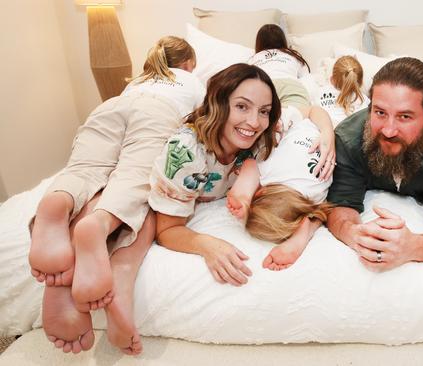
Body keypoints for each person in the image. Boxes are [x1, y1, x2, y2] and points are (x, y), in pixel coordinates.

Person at [28, 36, 205, 354]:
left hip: (107, 110)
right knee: (134, 179)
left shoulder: (136, 82)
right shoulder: (192, 80)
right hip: (158, 115)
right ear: (189, 64)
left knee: (85, 168)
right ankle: (98, 223)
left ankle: (60, 200)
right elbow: (206, 120)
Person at [326, 57, 423, 273]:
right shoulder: (348, 139)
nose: (388, 130)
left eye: (405, 116)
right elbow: (341, 204)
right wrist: (354, 233)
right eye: (380, 112)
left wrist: (413, 247)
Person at [150, 63, 283, 287]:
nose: (253, 122)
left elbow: (308, 110)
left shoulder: (265, 133)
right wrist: (207, 245)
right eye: (242, 106)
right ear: (218, 103)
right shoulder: (187, 153)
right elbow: (166, 230)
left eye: (264, 111)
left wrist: (326, 134)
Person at [226, 103, 336, 271]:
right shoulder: (272, 174)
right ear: (261, 191)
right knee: (255, 165)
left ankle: (307, 229)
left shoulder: (315, 195)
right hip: (308, 124)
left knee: (318, 211)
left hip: (307, 125)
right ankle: (246, 189)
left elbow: (320, 211)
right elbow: (250, 163)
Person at [249, 24, 311, 109]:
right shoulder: (292, 54)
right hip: (289, 86)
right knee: (299, 112)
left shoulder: (254, 58)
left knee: (263, 114)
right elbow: (306, 77)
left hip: (263, 87)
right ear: (283, 40)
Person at [313, 55, 369, 127]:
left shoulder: (320, 92)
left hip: (324, 132)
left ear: (332, 79)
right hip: (350, 135)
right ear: (360, 83)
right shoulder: (363, 99)